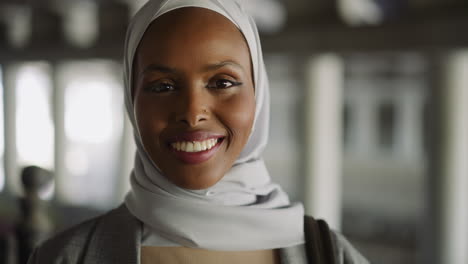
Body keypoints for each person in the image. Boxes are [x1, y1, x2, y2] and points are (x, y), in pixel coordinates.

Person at [28, 0, 369, 263]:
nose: (192, 113)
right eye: (162, 86)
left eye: (222, 82)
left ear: (258, 93)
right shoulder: (67, 257)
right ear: (132, 102)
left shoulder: (328, 254)